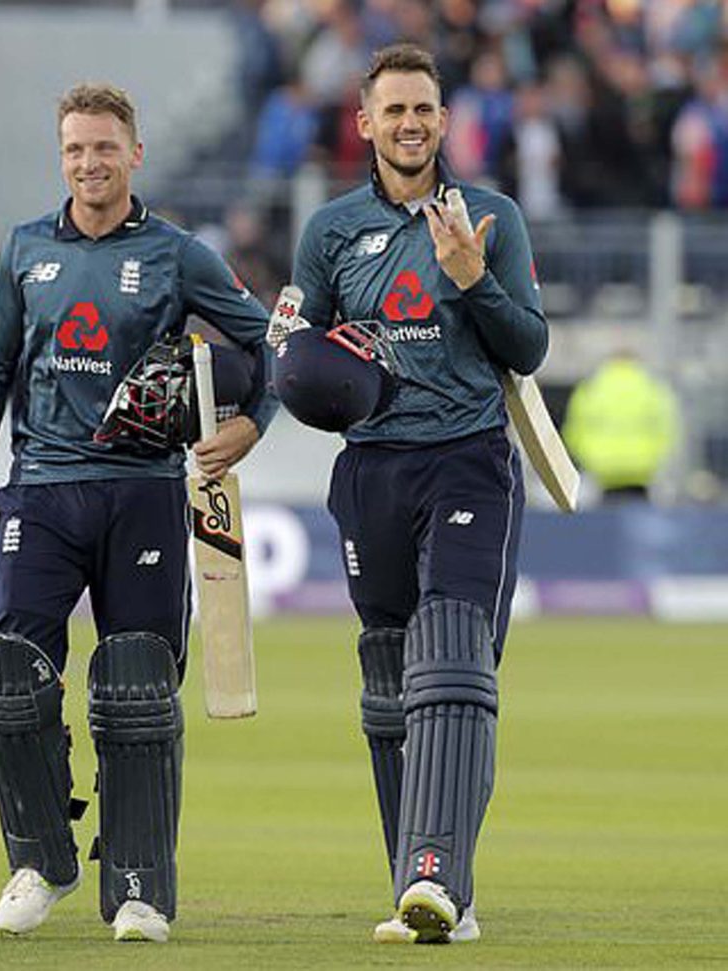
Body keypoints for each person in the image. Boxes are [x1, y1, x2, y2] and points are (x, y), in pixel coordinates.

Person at [0, 83, 276, 943]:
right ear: (63, 158)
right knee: (9, 673)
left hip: (145, 492)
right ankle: (40, 856)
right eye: (75, 149)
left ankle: (138, 885)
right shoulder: (22, 252)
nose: (89, 163)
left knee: (137, 683)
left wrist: (246, 424)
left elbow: (264, 346)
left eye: (104, 148)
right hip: (42, 486)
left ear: (136, 155)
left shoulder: (177, 255)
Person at [286, 43, 548, 944]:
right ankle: (425, 885)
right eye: (392, 109)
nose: (409, 124)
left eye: (424, 110)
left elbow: (529, 348)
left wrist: (473, 279)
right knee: (391, 674)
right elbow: (301, 353)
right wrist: (282, 386)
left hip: (467, 457)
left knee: (453, 657)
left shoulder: (492, 217)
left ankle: (438, 876)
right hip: (370, 469)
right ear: (363, 122)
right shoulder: (327, 232)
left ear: (444, 121)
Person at [562, 351, 679, 501]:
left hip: (603, 471)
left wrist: (589, 459)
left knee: (603, 521)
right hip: (642, 471)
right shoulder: (653, 389)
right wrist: (653, 458)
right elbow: (667, 431)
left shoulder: (591, 389)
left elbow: (574, 433)